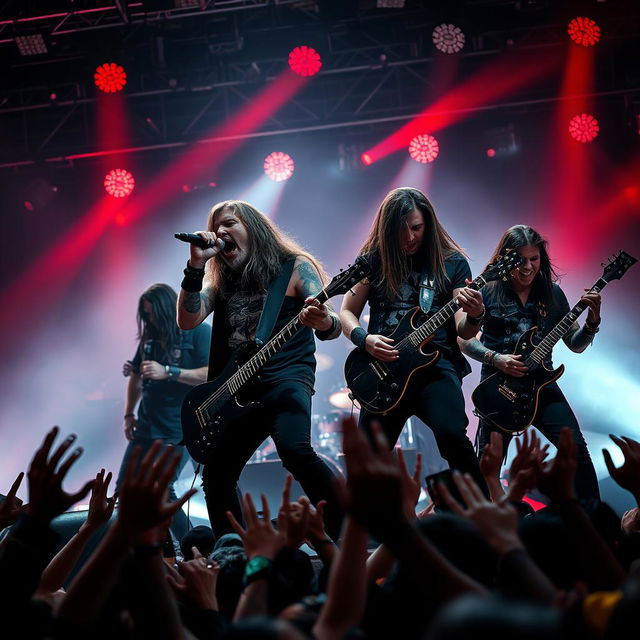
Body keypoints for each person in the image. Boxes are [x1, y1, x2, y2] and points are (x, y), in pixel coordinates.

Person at [176, 200, 342, 539]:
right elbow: (187, 319)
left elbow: (332, 325)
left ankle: (347, 529)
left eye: (229, 224)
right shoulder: (221, 282)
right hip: (238, 389)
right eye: (215, 226)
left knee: (295, 451)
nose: (220, 232)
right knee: (217, 475)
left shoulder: (294, 267)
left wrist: (322, 318)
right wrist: (195, 266)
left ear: (254, 228)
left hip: (286, 377)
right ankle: (232, 549)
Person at [340, 186, 488, 491]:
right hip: (385, 370)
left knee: (452, 437)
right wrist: (365, 339)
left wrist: (474, 314)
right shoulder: (372, 260)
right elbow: (346, 311)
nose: (409, 237)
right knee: (367, 461)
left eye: (417, 228)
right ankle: (368, 533)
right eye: (401, 229)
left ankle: (486, 520)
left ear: (428, 225)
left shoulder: (453, 263)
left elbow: (464, 330)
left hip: (435, 367)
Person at [460, 225, 601, 500]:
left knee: (576, 450)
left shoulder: (553, 294)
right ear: (506, 258)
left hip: (541, 386)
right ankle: (483, 531)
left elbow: (575, 344)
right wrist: (496, 358)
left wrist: (592, 322)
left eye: (534, 259)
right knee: (486, 467)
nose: (527, 267)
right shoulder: (487, 290)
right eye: (520, 259)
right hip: (498, 389)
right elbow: (463, 340)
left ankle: (596, 524)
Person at [119, 283, 211, 543]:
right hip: (146, 426)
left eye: (153, 314)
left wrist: (169, 371)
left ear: (167, 310)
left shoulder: (198, 333)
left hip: (180, 427)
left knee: (163, 489)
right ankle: (131, 550)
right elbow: (136, 376)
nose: (150, 320)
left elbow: (210, 374)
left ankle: (191, 545)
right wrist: (128, 414)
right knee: (124, 491)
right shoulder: (150, 338)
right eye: (145, 315)